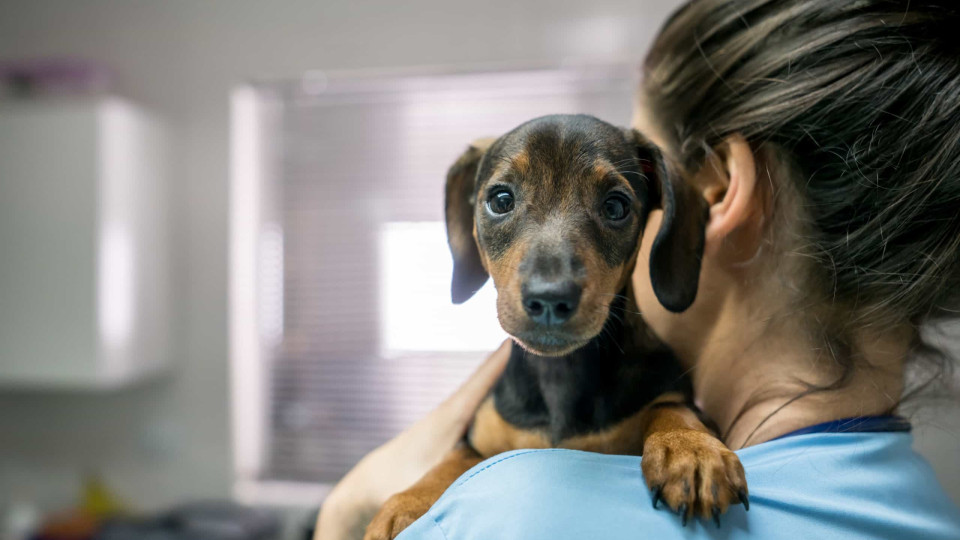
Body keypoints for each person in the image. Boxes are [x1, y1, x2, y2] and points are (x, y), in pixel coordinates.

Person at [315, 1, 960, 538]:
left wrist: (346, 510)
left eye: (618, 205)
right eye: (505, 202)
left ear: (710, 194)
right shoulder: (932, 511)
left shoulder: (513, 512)